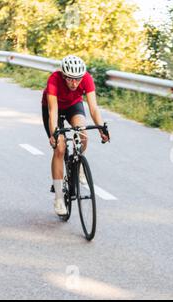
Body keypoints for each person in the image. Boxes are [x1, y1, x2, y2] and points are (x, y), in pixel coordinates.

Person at [41, 55, 109, 216]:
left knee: (83, 133)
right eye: (70, 79)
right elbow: (53, 111)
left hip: (73, 105)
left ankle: (78, 166)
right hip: (53, 107)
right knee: (60, 147)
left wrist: (102, 129)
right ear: (63, 75)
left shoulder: (87, 79)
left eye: (77, 79)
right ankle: (58, 197)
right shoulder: (54, 80)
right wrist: (54, 134)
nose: (74, 83)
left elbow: (93, 108)